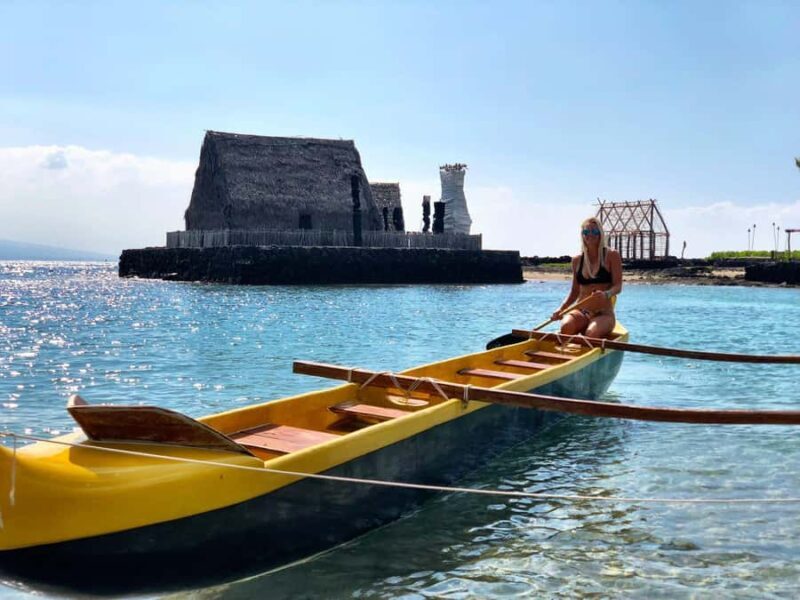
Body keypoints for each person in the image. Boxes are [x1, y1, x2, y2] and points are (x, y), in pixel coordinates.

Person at [550, 217, 622, 337]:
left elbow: (618, 286)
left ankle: (589, 333)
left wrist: (606, 294)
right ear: (582, 235)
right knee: (566, 327)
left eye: (594, 232)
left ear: (600, 234)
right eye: (586, 232)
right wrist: (561, 309)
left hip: (603, 314)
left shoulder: (612, 255)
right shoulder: (577, 260)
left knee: (591, 333)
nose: (590, 235)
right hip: (581, 311)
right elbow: (574, 292)